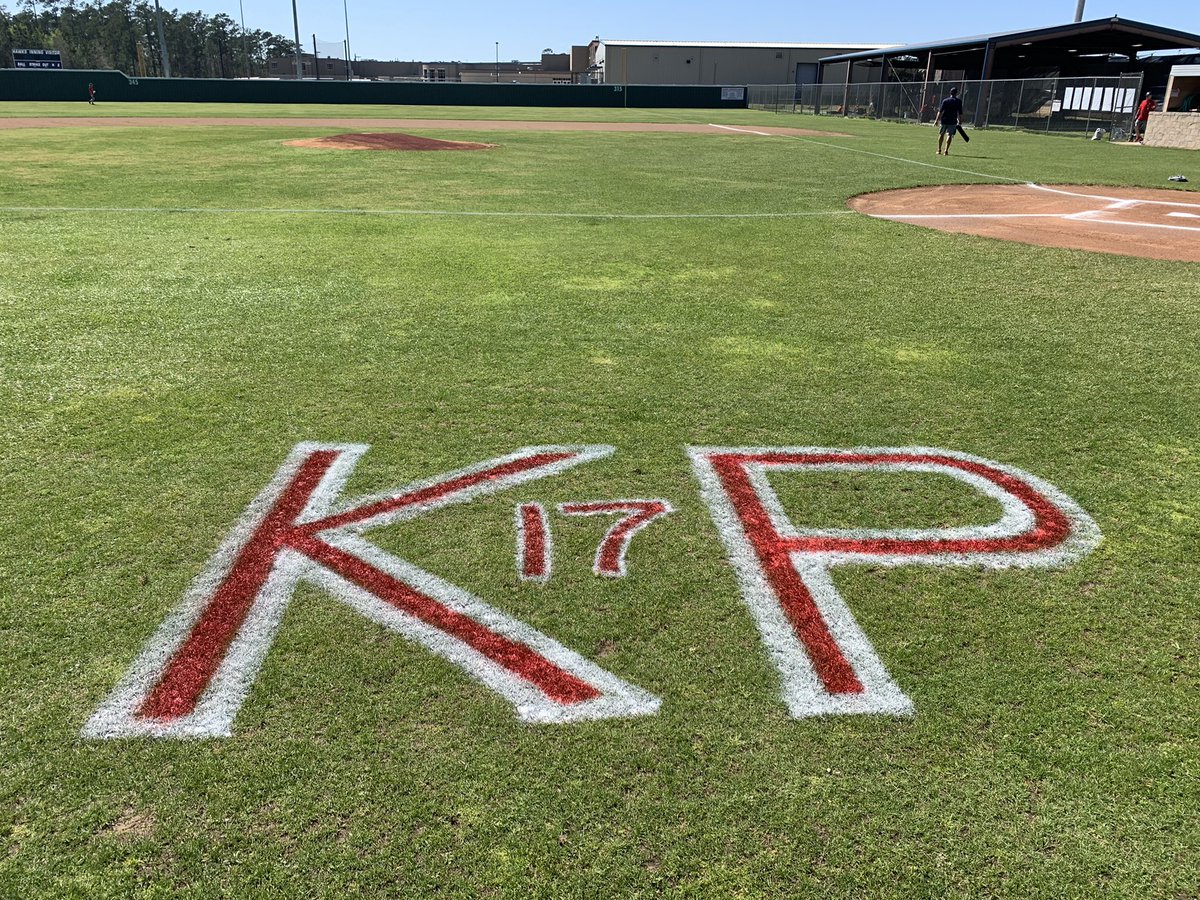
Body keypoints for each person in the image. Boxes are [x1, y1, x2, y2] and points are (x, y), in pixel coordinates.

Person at [934, 87, 964, 156]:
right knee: (950, 135)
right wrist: (960, 121)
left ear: (950, 93)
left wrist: (936, 120)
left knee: (941, 134)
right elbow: (960, 113)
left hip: (944, 120)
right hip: (953, 121)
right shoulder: (958, 102)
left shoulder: (945, 101)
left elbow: (940, 111)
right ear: (956, 93)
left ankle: (939, 150)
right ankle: (946, 150)